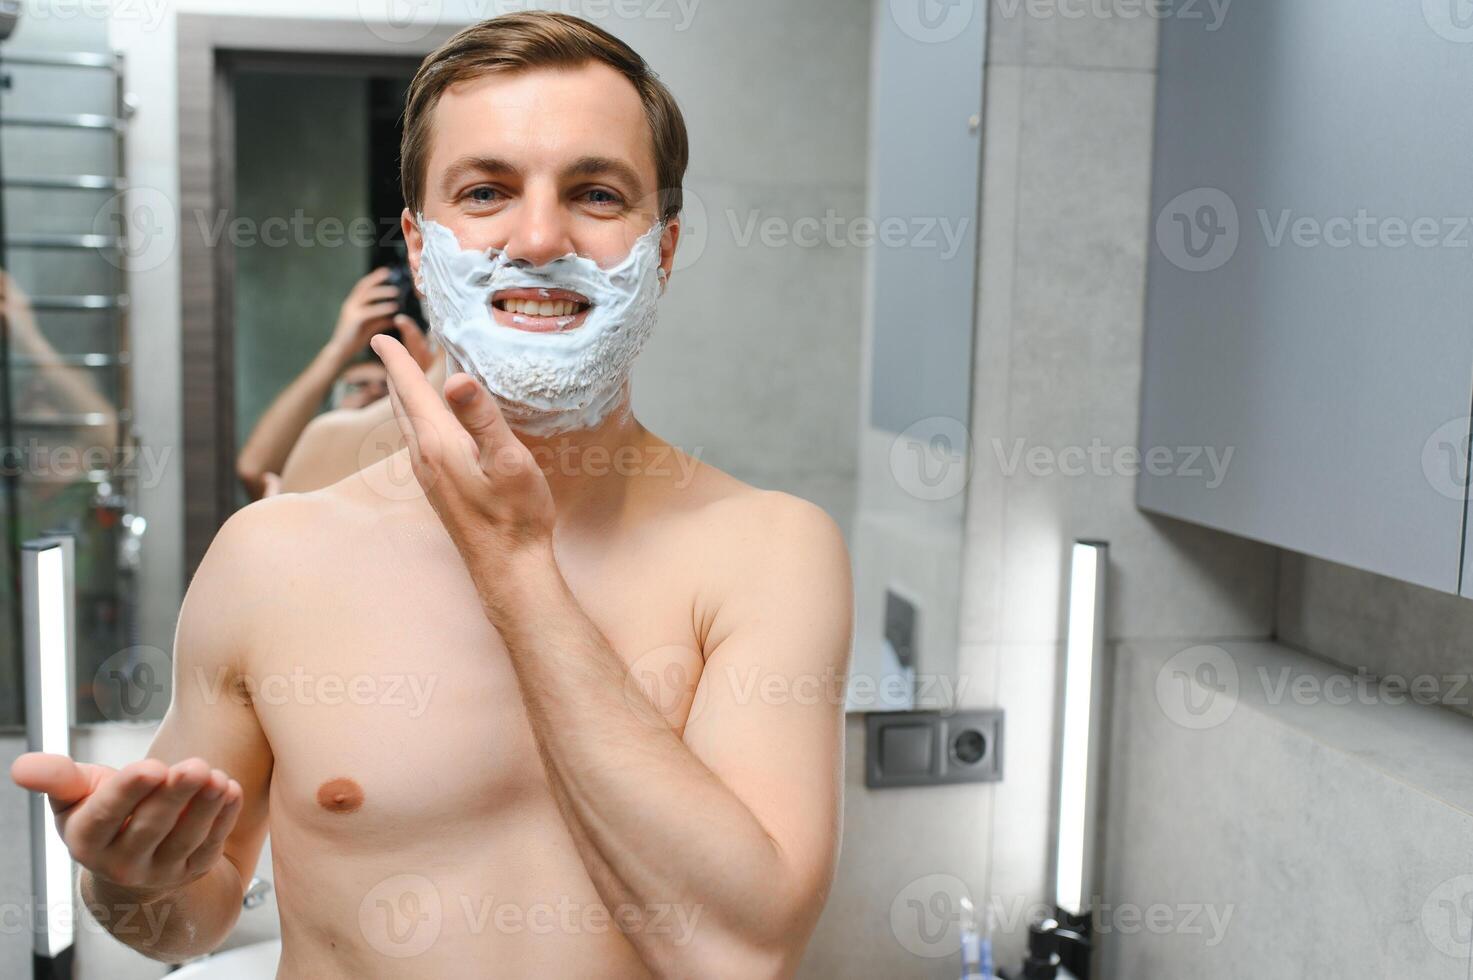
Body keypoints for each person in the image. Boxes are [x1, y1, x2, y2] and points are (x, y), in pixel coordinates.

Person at [12, 13, 853, 978]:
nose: (538, 238)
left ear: (662, 249)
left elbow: (739, 953)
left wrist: (513, 565)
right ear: (418, 246)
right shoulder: (272, 559)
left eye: (596, 192)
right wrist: (133, 881)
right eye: (487, 191)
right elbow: (192, 920)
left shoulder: (766, 552)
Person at [234, 267, 434, 500]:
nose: (373, 390)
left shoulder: (417, 474)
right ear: (332, 404)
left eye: (386, 386)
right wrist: (337, 349)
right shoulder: (310, 480)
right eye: (358, 385)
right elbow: (253, 470)